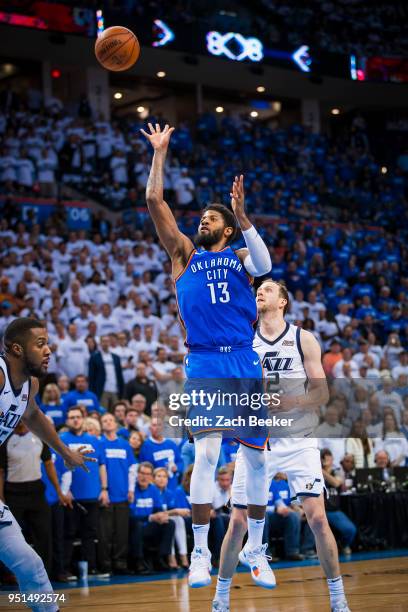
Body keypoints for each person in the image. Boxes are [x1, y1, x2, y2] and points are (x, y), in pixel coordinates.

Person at [141, 123, 272, 589]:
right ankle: (199, 552)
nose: (203, 221)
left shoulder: (240, 256)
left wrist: (244, 214)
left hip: (243, 360)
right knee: (208, 453)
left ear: (229, 227)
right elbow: (155, 203)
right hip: (205, 363)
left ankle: (256, 546)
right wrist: (160, 153)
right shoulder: (183, 254)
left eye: (212, 218)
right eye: (202, 217)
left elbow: (266, 267)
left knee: (255, 461)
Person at [213, 280, 350, 612]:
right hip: (256, 441)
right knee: (238, 523)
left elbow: (321, 394)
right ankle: (221, 598)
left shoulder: (303, 338)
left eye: (269, 290)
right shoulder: (243, 340)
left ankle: (338, 599)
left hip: (299, 440)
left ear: (283, 302)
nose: (260, 292)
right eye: (258, 290)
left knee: (318, 518)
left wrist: (290, 401)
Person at [0, 318, 92, 611]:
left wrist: (65, 452)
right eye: (40, 344)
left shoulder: (31, 385)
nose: (48, 350)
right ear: (16, 349)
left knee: (30, 564)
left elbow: (34, 415)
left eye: (48, 343)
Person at [98, 413, 137, 575]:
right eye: (104, 421)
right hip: (107, 495)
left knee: (122, 533)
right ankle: (105, 565)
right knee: (105, 533)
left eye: (110, 420)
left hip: (123, 494)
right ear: (102, 425)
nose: (108, 423)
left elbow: (132, 468)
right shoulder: (100, 444)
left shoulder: (124, 444)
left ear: (115, 424)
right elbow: (100, 468)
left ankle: (120, 564)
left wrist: (131, 489)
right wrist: (103, 490)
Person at [88, 335, 124, 410]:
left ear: (110, 343)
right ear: (100, 343)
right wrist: (93, 392)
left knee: (116, 412)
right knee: (102, 412)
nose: (105, 343)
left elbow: (120, 376)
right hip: (102, 391)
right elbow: (91, 377)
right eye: (103, 341)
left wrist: (121, 392)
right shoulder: (95, 357)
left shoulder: (116, 357)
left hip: (115, 390)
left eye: (107, 341)